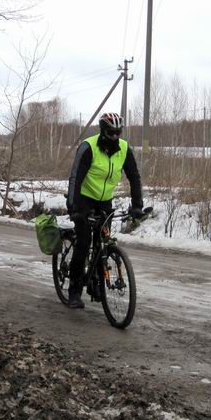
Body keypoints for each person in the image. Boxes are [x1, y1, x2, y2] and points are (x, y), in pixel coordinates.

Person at [65, 112, 143, 309]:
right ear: (103, 131)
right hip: (83, 198)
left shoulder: (124, 149)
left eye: (118, 132)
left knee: (103, 242)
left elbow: (134, 178)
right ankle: (74, 291)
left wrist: (137, 206)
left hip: (105, 201)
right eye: (111, 132)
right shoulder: (88, 147)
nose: (116, 136)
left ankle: (96, 284)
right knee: (83, 242)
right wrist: (74, 208)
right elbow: (75, 177)